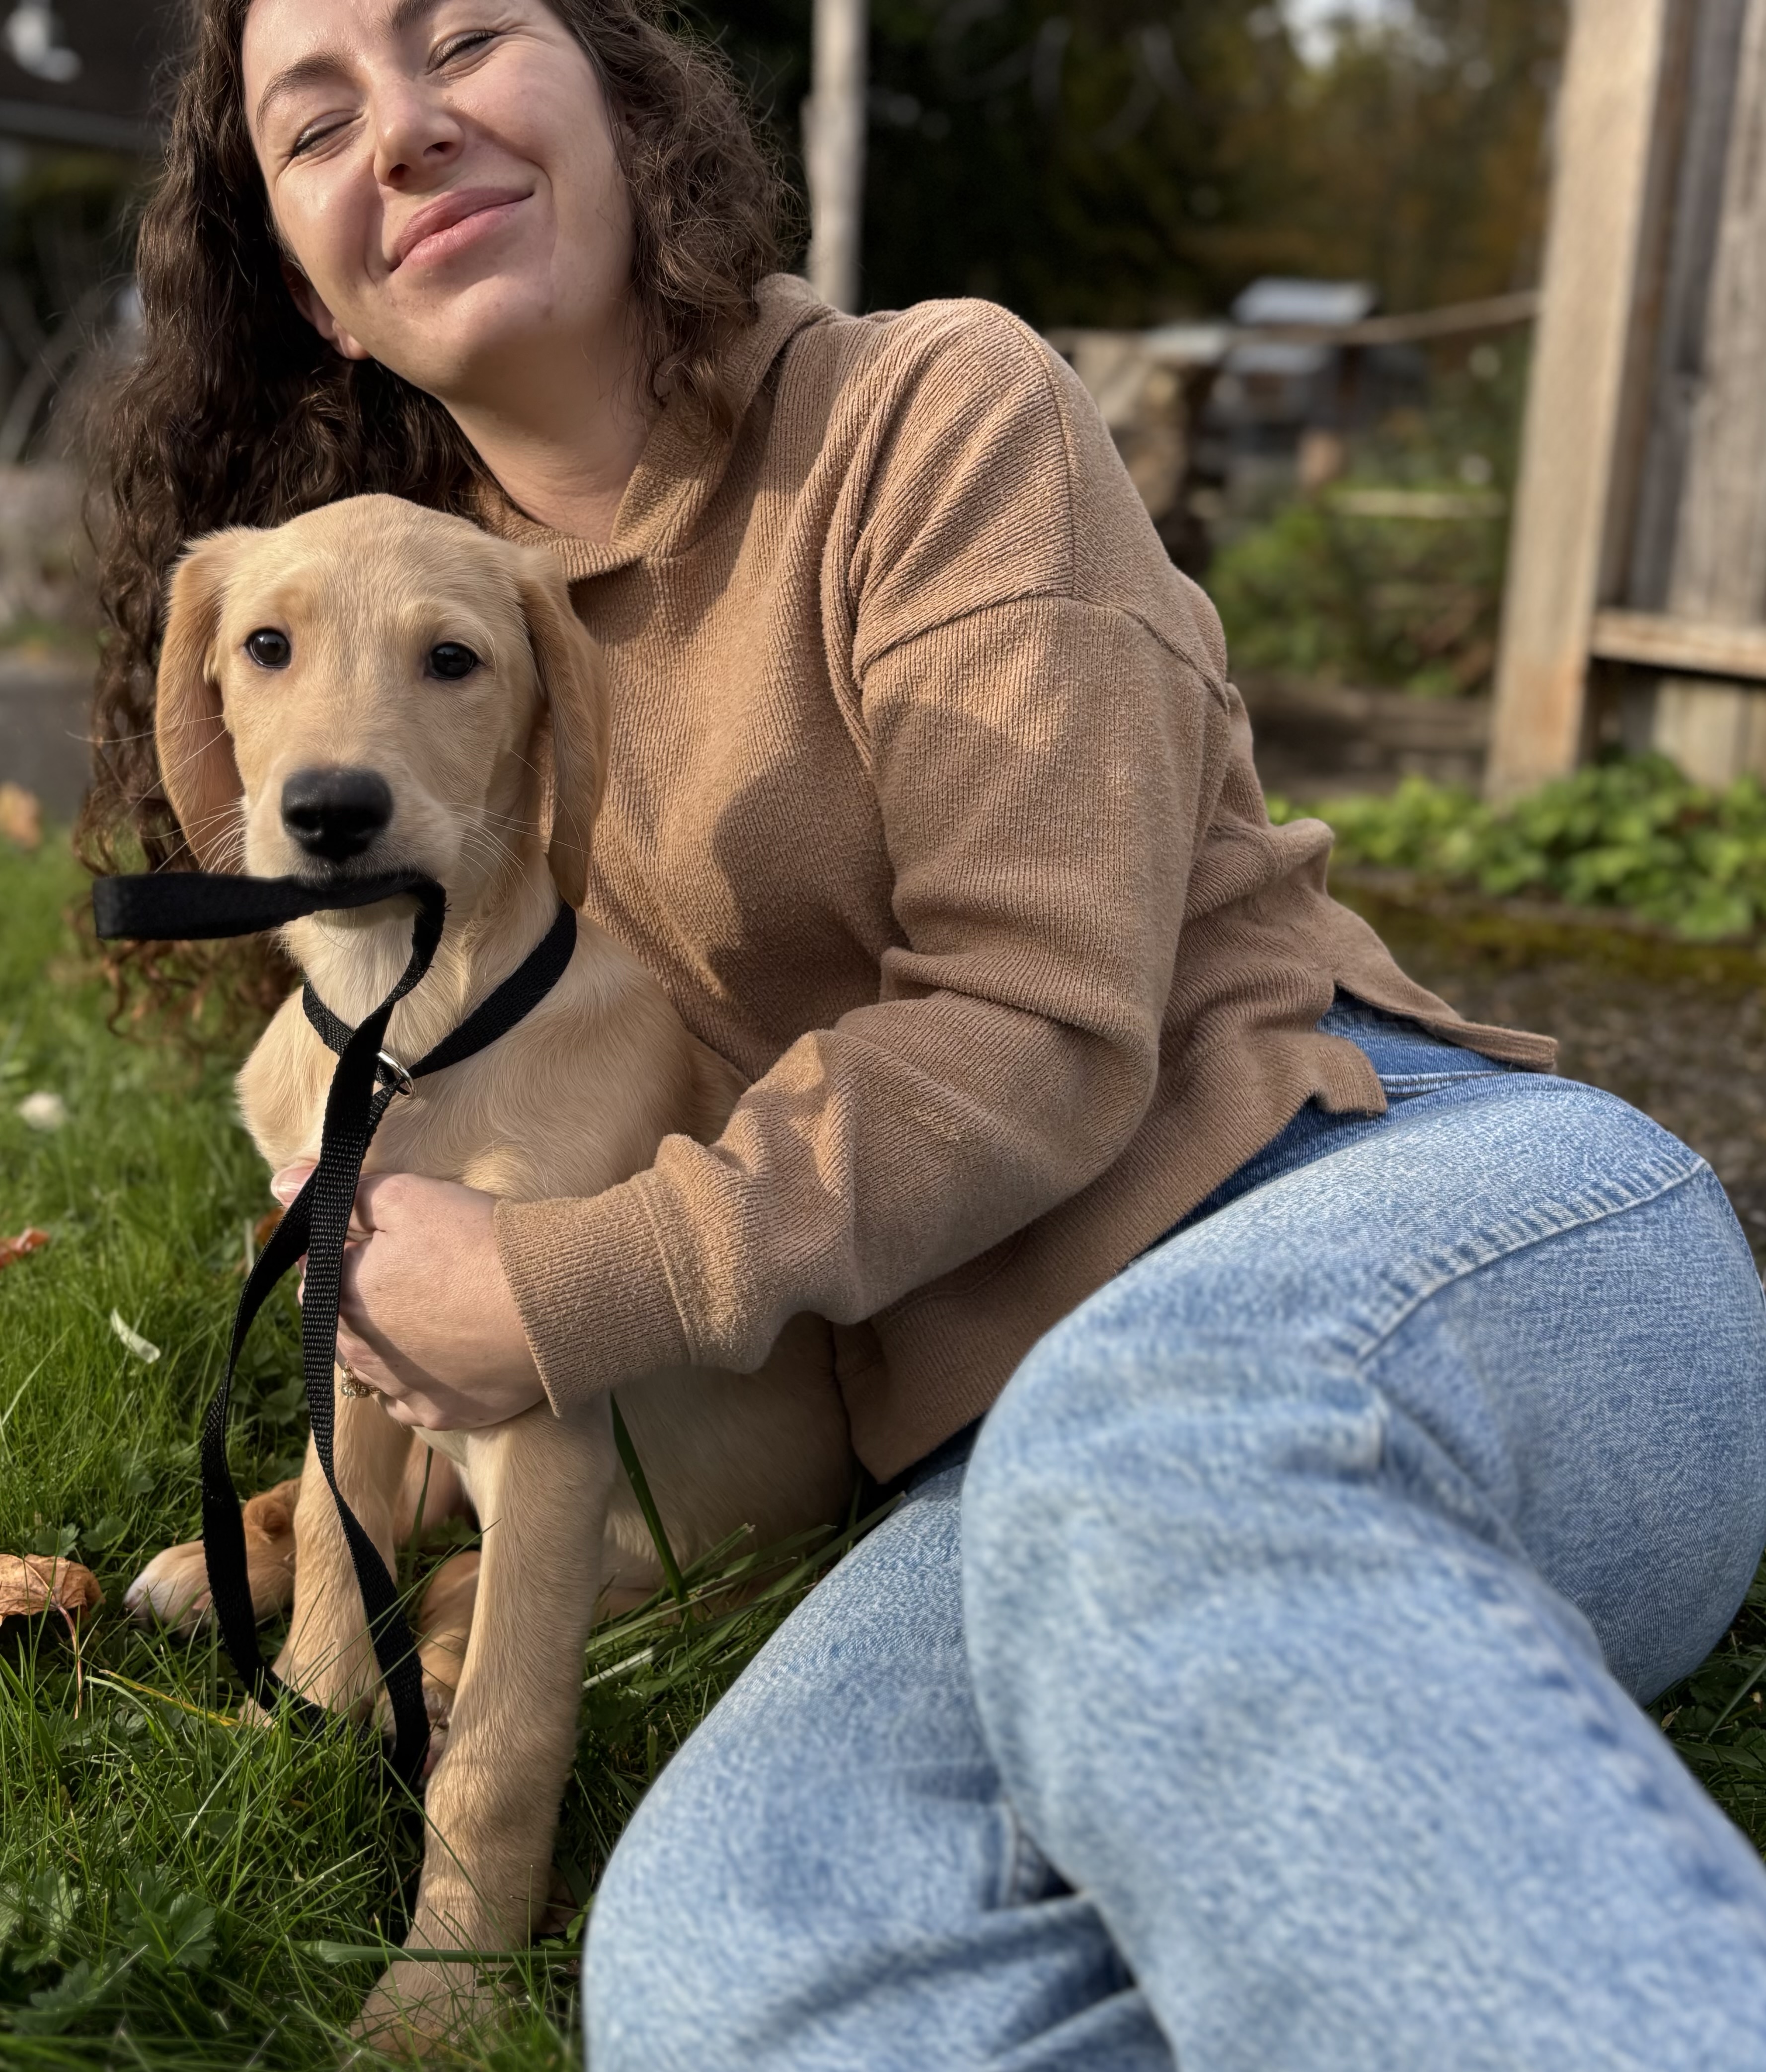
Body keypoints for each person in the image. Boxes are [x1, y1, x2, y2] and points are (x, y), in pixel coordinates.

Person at [84, 1, 1766, 2065]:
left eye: (466, 38)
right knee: (740, 1961)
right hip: (995, 1442)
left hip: (1386, 1204)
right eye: (316, 114)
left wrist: (567, 1281)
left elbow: (1044, 1023)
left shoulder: (931, 413)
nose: (407, 129)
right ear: (303, 279)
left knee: (1158, 1438)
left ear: (632, 108)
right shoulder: (425, 636)